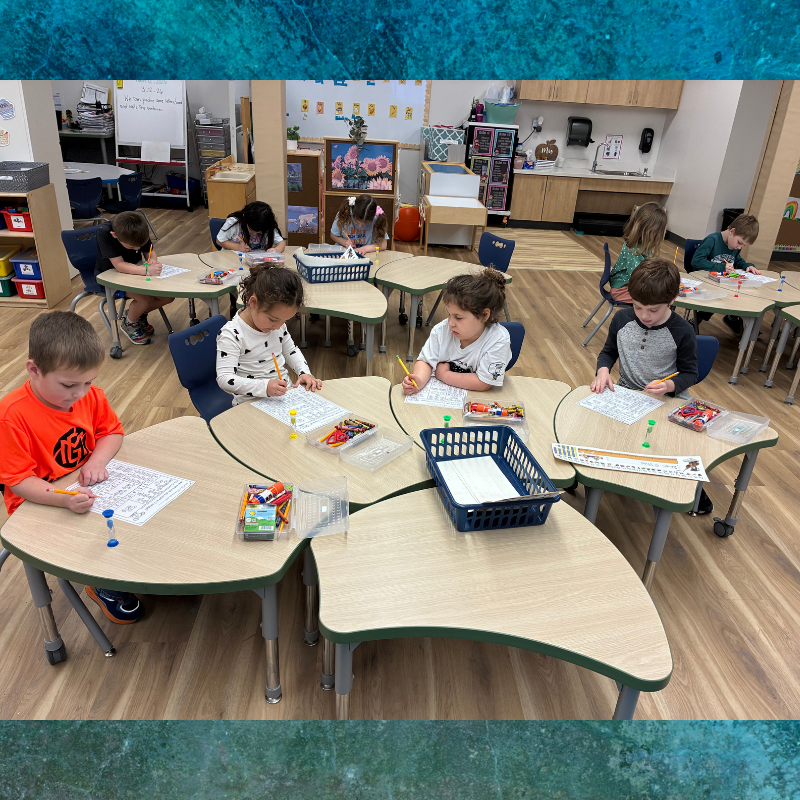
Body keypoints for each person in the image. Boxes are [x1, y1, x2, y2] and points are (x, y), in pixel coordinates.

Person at [0, 312, 144, 622]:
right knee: (93, 537)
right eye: (69, 385)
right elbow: (19, 481)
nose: (80, 393)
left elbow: (112, 432)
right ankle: (102, 583)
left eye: (88, 382)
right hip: (39, 503)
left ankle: (132, 569)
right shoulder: (11, 416)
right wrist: (63, 499)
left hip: (83, 487)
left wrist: (96, 461)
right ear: (34, 369)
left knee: (136, 520)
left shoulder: (90, 396)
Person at [592, 258, 711, 514]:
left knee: (675, 444)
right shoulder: (621, 319)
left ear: (672, 300)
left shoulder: (682, 330)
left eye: (653, 310)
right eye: (637, 307)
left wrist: (669, 386)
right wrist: (603, 371)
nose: (645, 316)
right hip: (628, 393)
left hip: (668, 399)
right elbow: (608, 352)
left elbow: (690, 373)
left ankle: (694, 489)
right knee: (603, 431)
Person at [216, 264, 322, 406]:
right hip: (250, 402)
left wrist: (304, 373)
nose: (278, 326)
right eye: (273, 319)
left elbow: (291, 351)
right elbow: (225, 379)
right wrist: (264, 387)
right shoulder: (232, 333)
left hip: (284, 396)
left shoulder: (277, 325)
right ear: (253, 302)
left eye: (285, 321)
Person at [402, 269, 511, 394]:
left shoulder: (498, 340)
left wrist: (444, 375)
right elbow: (426, 362)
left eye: (458, 318)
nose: (450, 323)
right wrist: (418, 380)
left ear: (484, 315)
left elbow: (483, 383)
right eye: (449, 314)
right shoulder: (441, 330)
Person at [95, 211, 174, 346]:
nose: (137, 248)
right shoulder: (105, 233)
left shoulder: (138, 229)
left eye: (139, 245)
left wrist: (152, 260)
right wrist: (146, 270)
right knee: (145, 299)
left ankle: (137, 315)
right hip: (110, 277)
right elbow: (119, 265)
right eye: (132, 247)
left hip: (136, 271)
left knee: (168, 296)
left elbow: (149, 251)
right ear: (115, 236)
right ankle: (130, 323)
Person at [690, 214, 761, 335]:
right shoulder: (712, 240)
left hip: (722, 281)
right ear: (732, 231)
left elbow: (737, 260)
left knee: (740, 291)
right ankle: (698, 319)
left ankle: (732, 317)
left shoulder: (734, 246)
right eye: (739, 243)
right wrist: (721, 267)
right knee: (719, 294)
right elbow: (696, 261)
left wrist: (747, 266)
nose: (739, 247)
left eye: (743, 245)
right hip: (705, 280)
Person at [608, 203, 668, 304]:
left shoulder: (645, 246)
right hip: (622, 290)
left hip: (633, 288)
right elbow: (638, 276)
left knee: (661, 297)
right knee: (658, 300)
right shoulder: (632, 248)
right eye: (657, 232)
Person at [216, 201, 286, 253]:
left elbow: (281, 243)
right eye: (251, 230)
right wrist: (238, 247)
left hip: (256, 260)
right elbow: (219, 241)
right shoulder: (234, 223)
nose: (254, 234)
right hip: (231, 259)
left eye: (259, 232)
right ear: (245, 219)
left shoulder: (265, 224)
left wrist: (276, 250)